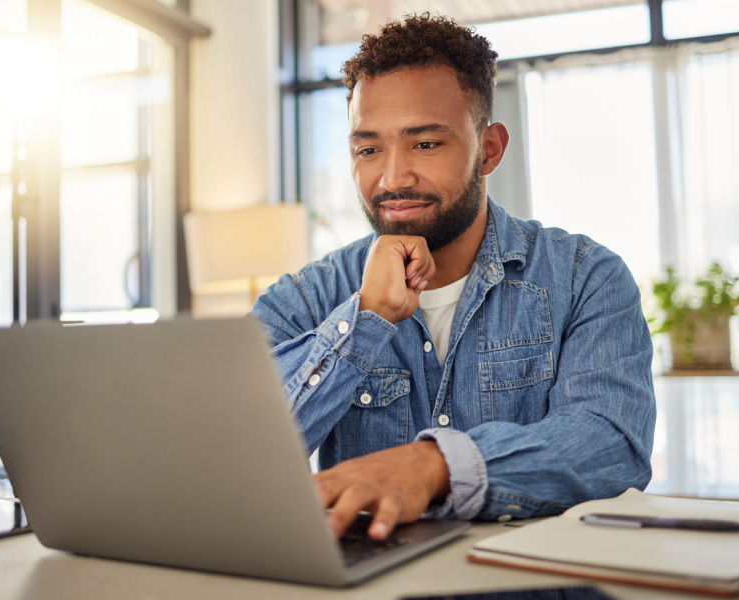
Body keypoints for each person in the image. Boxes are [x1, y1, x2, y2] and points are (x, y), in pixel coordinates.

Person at [250, 14, 655, 542]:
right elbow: (237, 459)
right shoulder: (304, 299)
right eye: (368, 148)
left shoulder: (585, 277)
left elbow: (611, 446)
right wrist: (364, 320)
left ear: (489, 149)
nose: (392, 178)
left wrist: (434, 467)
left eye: (425, 144)